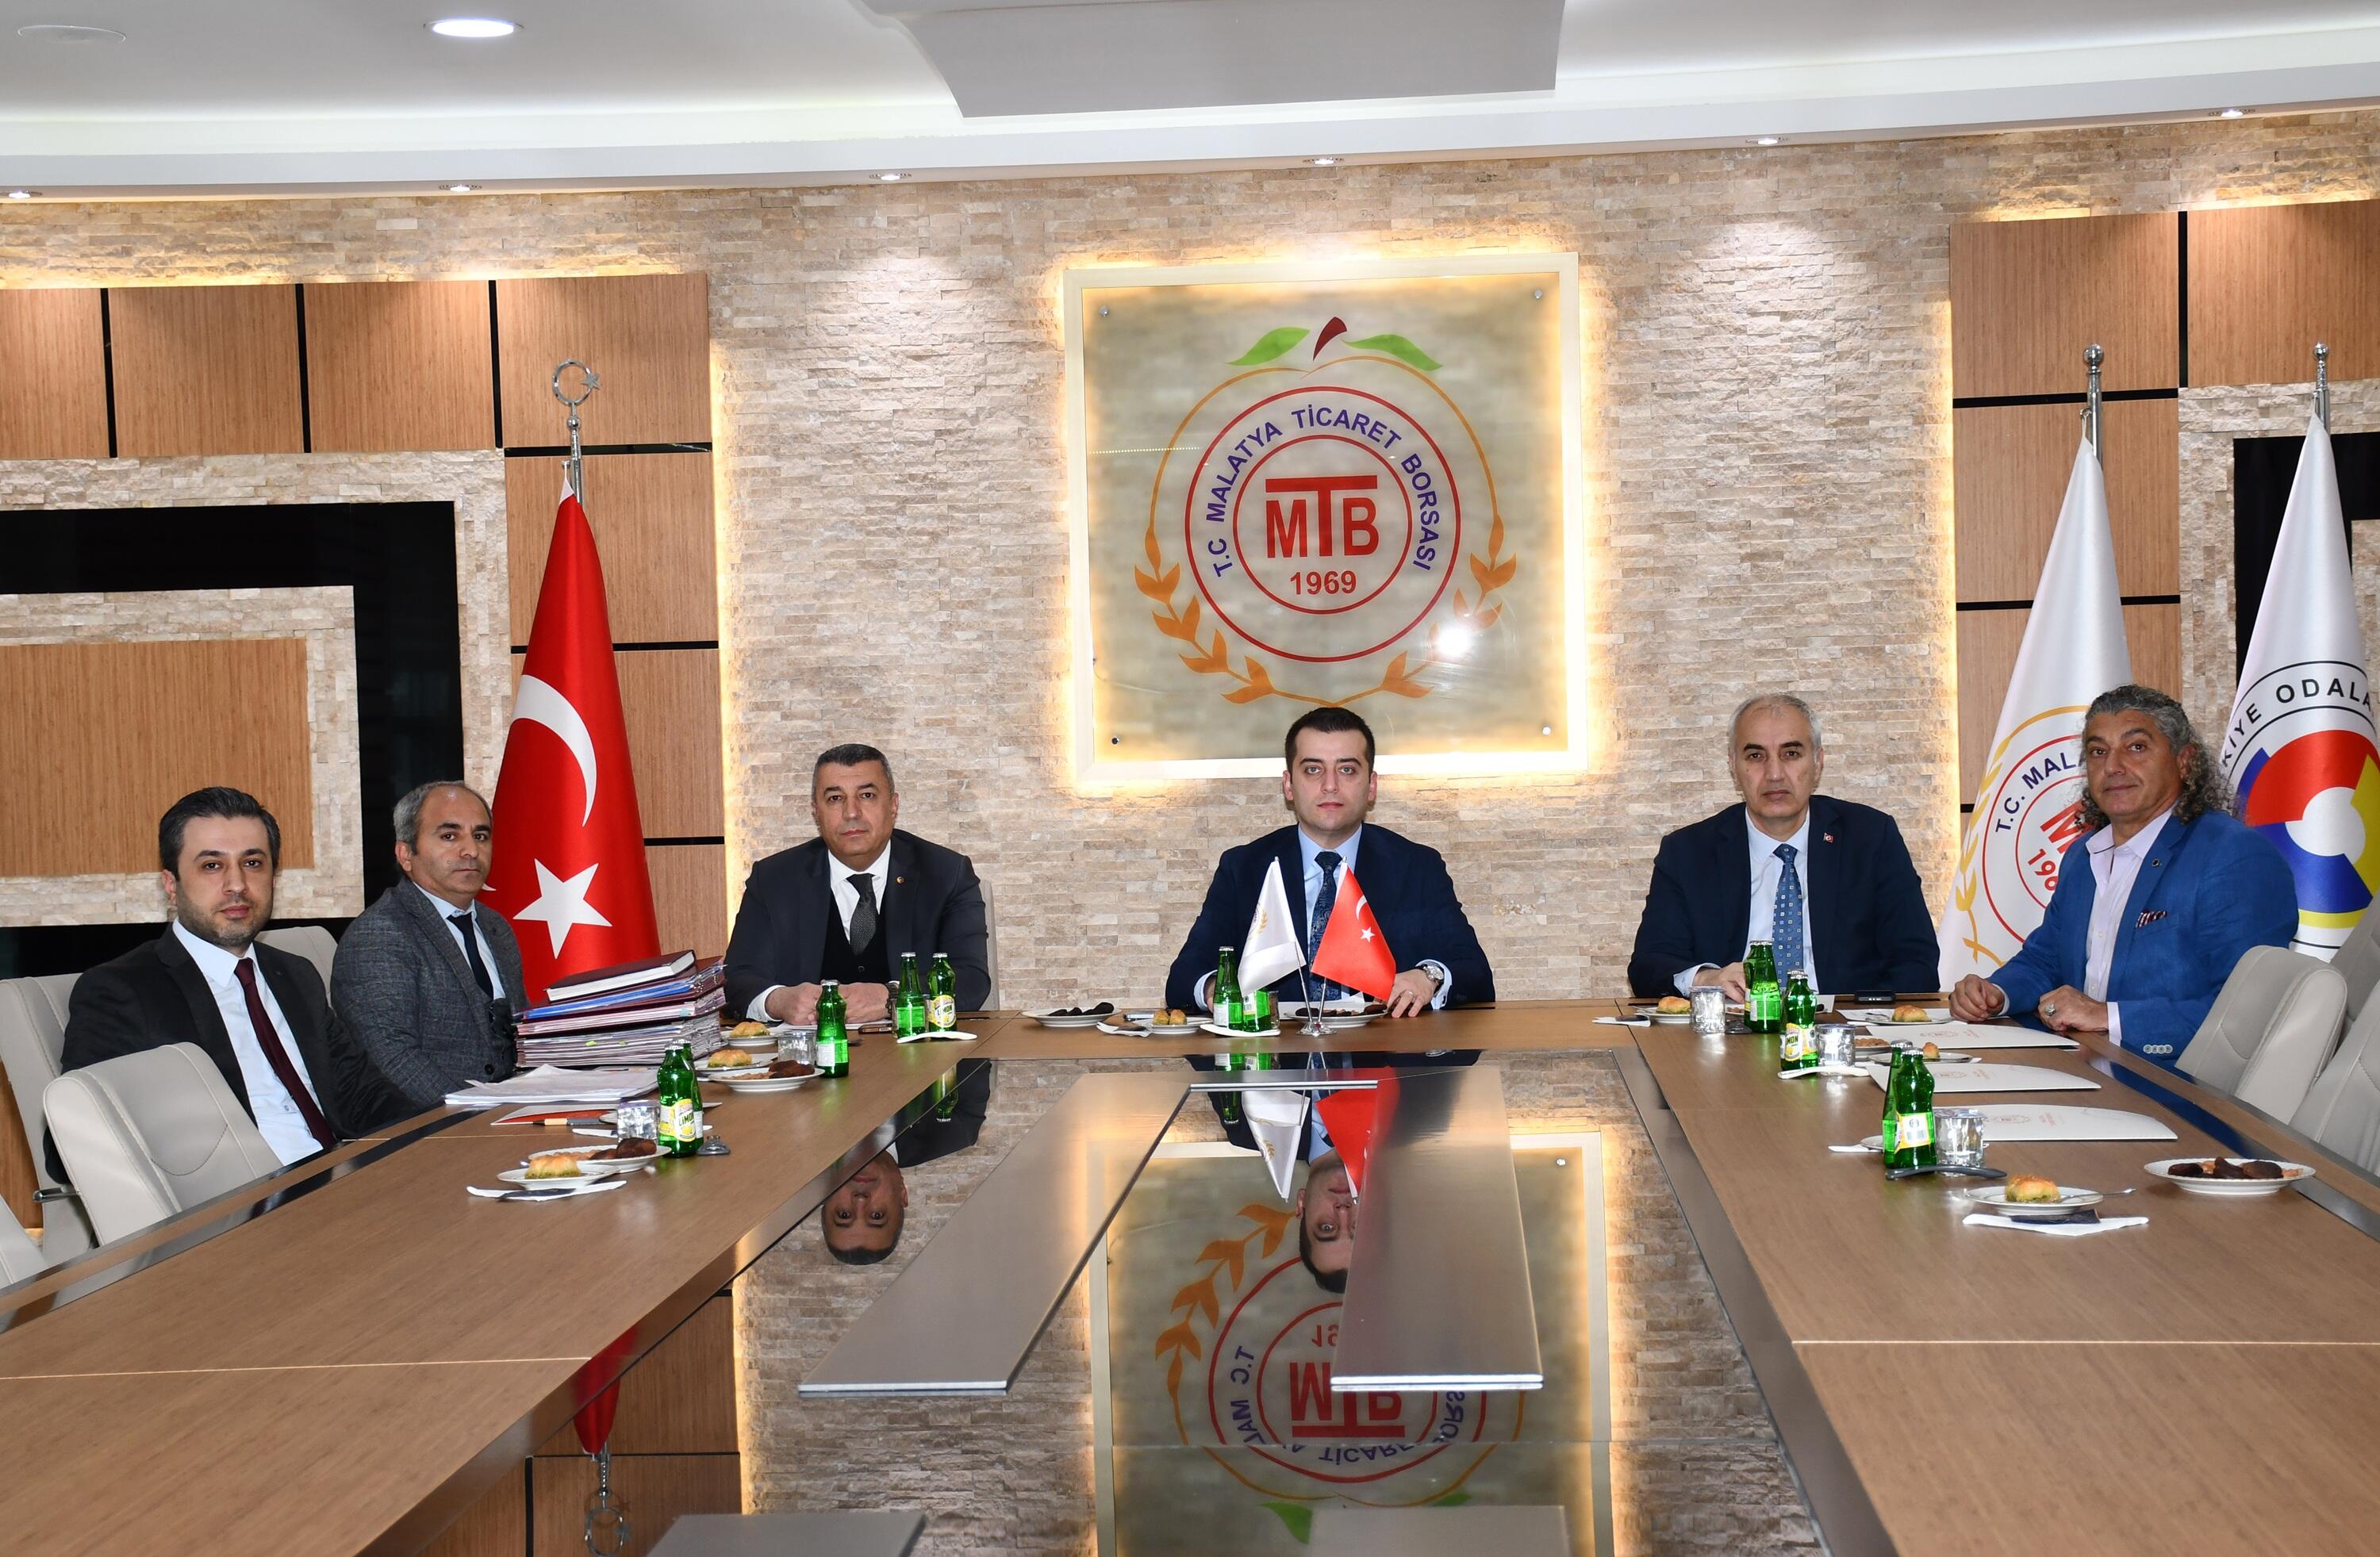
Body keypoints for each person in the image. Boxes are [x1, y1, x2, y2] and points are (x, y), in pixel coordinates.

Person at [50, 787, 411, 1179]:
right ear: (171, 884)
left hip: (343, 1177)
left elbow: (363, 1095)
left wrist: (438, 1143)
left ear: (274, 878)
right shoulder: (124, 990)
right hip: (242, 1197)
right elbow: (71, 1149)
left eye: (252, 863)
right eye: (212, 866)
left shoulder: (294, 974)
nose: (237, 884)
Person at [1949, 685, 2297, 1062]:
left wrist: (2108, 1017)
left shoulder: (2234, 856)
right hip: (2086, 1067)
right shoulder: (2082, 856)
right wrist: (1996, 994)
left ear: (2185, 762)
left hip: (2178, 1083)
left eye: (2136, 747)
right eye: (2098, 751)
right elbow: (2047, 960)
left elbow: (2248, 1012)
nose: (2112, 767)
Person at [1165, 708, 1494, 1015]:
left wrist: (1429, 976)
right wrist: (1218, 990)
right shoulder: (1244, 868)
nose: (1330, 785)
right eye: (1313, 769)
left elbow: (1475, 974)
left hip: (1386, 1054)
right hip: (1276, 1054)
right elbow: (1184, 978)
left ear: (1372, 786)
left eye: (1347, 769)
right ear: (1288, 785)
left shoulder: (1416, 866)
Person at [1629, 692, 1939, 998]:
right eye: (1756, 756)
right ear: (1734, 765)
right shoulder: (1688, 852)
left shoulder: (1871, 838)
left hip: (1842, 1023)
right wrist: (1708, 979)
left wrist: (1858, 1017)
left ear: (1817, 762)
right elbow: (1650, 965)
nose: (1774, 774)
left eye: (1791, 754)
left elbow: (1917, 962)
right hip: (1733, 1023)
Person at [724, 744, 992, 1026]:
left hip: (917, 1049)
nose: (851, 812)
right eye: (835, 798)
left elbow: (971, 980)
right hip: (810, 1050)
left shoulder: (946, 874)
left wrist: (893, 996)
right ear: (816, 812)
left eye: (867, 796)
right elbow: (738, 979)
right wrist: (778, 1001)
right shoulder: (774, 879)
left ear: (893, 805)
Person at [330, 782, 526, 1110]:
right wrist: (477, 1115)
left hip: (517, 1110)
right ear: (406, 854)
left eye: (480, 836)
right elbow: (392, 1059)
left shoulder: (497, 927)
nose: (471, 850)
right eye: (449, 836)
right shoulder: (379, 934)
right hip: (442, 1124)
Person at [821, 1060, 992, 1264]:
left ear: (824, 1198)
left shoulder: (797, 1141)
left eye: (843, 1214)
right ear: (902, 1194)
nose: (860, 1200)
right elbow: (973, 1049)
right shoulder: (957, 1127)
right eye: (877, 1215)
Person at [1298, 1152, 1355, 1294]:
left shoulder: (1256, 1138)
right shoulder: (1405, 1138)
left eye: (1326, 1227)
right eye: (1359, 1228)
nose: (1343, 1212)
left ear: (1301, 1204)